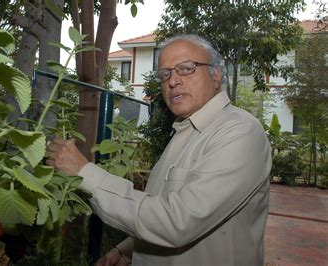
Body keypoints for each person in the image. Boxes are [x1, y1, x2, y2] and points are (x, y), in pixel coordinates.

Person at [46, 34, 272, 265]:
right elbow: (160, 209)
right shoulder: (185, 131)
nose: (172, 81)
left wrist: (84, 172)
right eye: (165, 74)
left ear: (216, 76)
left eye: (186, 69)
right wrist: (127, 251)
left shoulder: (239, 132)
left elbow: (177, 222)